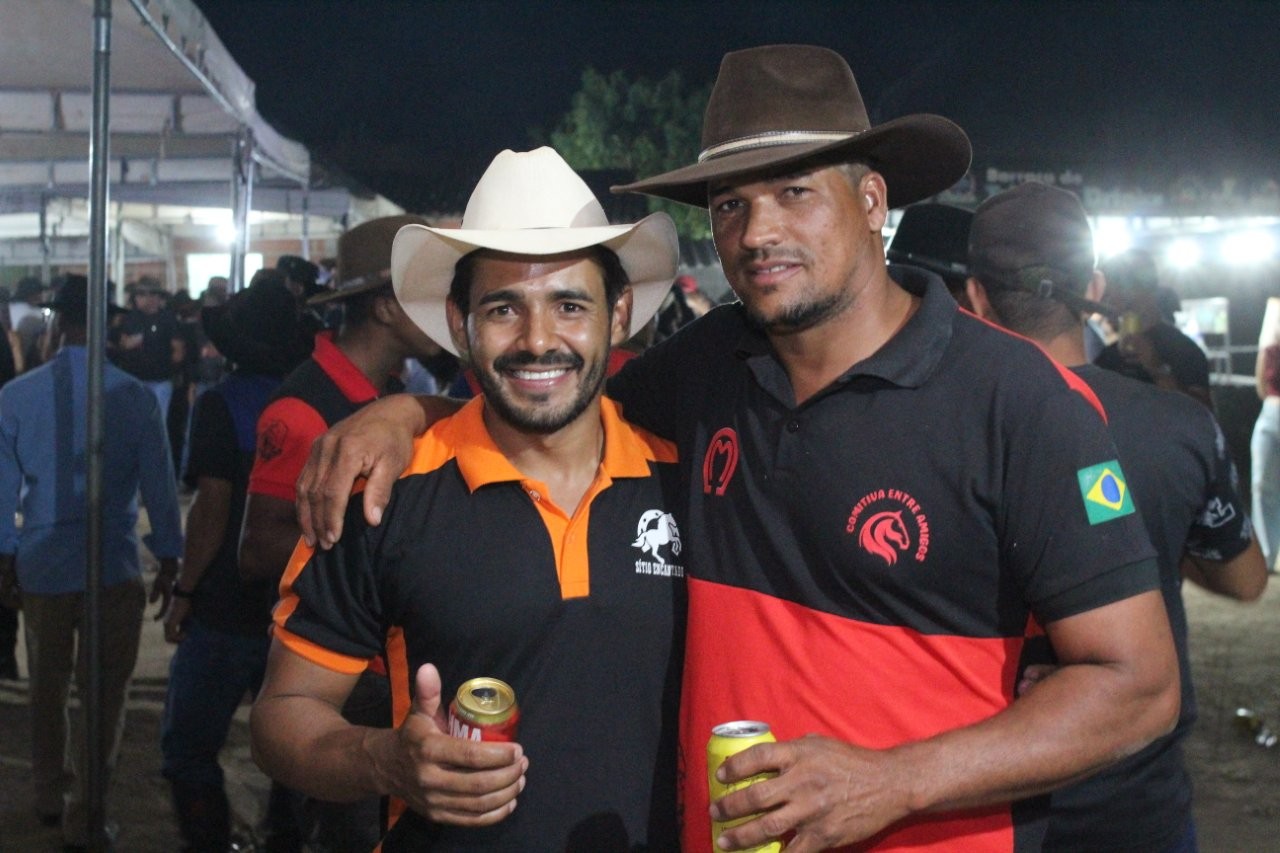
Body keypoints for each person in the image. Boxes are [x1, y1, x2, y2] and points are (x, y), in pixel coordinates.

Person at [292, 45, 1180, 853]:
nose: (756, 234)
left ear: (873, 202)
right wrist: (403, 413)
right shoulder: (705, 368)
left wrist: (894, 781)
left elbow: (1138, 686)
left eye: (795, 193)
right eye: (730, 205)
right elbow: (547, 391)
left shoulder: (1018, 401)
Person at [250, 146, 684, 851]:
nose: (537, 340)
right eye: (503, 307)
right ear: (459, 324)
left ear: (619, 314)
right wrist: (384, 759)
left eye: (570, 305)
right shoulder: (384, 492)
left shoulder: (689, 480)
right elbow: (282, 714)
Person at [964, 181, 1267, 853]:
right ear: (1093, 286)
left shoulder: (939, 432)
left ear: (977, 297)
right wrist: (1158, 537)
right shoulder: (1180, 425)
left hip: (980, 797)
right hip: (1134, 797)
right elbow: (1246, 579)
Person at [240, 215, 439, 853]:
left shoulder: (395, 397)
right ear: (385, 307)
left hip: (386, 664)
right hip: (340, 678)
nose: (444, 311)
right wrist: (368, 557)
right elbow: (256, 548)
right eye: (426, 294)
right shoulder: (304, 407)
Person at [0, 273, 183, 850]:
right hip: (113, 562)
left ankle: (48, 794)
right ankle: (87, 810)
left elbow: (3, 492)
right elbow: (160, 487)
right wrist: (170, 558)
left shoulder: (17, 396)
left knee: (47, 684)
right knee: (104, 694)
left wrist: (6, 554)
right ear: (108, 325)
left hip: (44, 562)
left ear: (56, 322)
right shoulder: (133, 395)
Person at [160, 269, 312, 852]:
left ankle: (208, 841)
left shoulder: (221, 404)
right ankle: (285, 840)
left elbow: (212, 508)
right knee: (294, 750)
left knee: (189, 748)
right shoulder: (313, 402)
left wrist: (185, 591)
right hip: (297, 605)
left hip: (225, 605)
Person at [1094, 248, 1214, 409]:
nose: (1106, 305)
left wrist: (1157, 369)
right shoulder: (1107, 357)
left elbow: (1202, 414)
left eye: (1109, 294)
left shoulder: (1184, 351)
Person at [112, 276, 187, 427]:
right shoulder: (128, 318)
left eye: (151, 294)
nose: (146, 298)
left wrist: (169, 369)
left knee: (158, 423)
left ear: (158, 297)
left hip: (160, 380)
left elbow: (178, 349)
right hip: (133, 380)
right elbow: (119, 343)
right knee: (134, 423)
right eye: (140, 294)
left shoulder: (167, 319)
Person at [1252, 296, 1280, 572]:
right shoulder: (1274, 311)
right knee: (1262, 484)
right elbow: (1261, 375)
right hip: (1272, 408)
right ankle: (1267, 555)